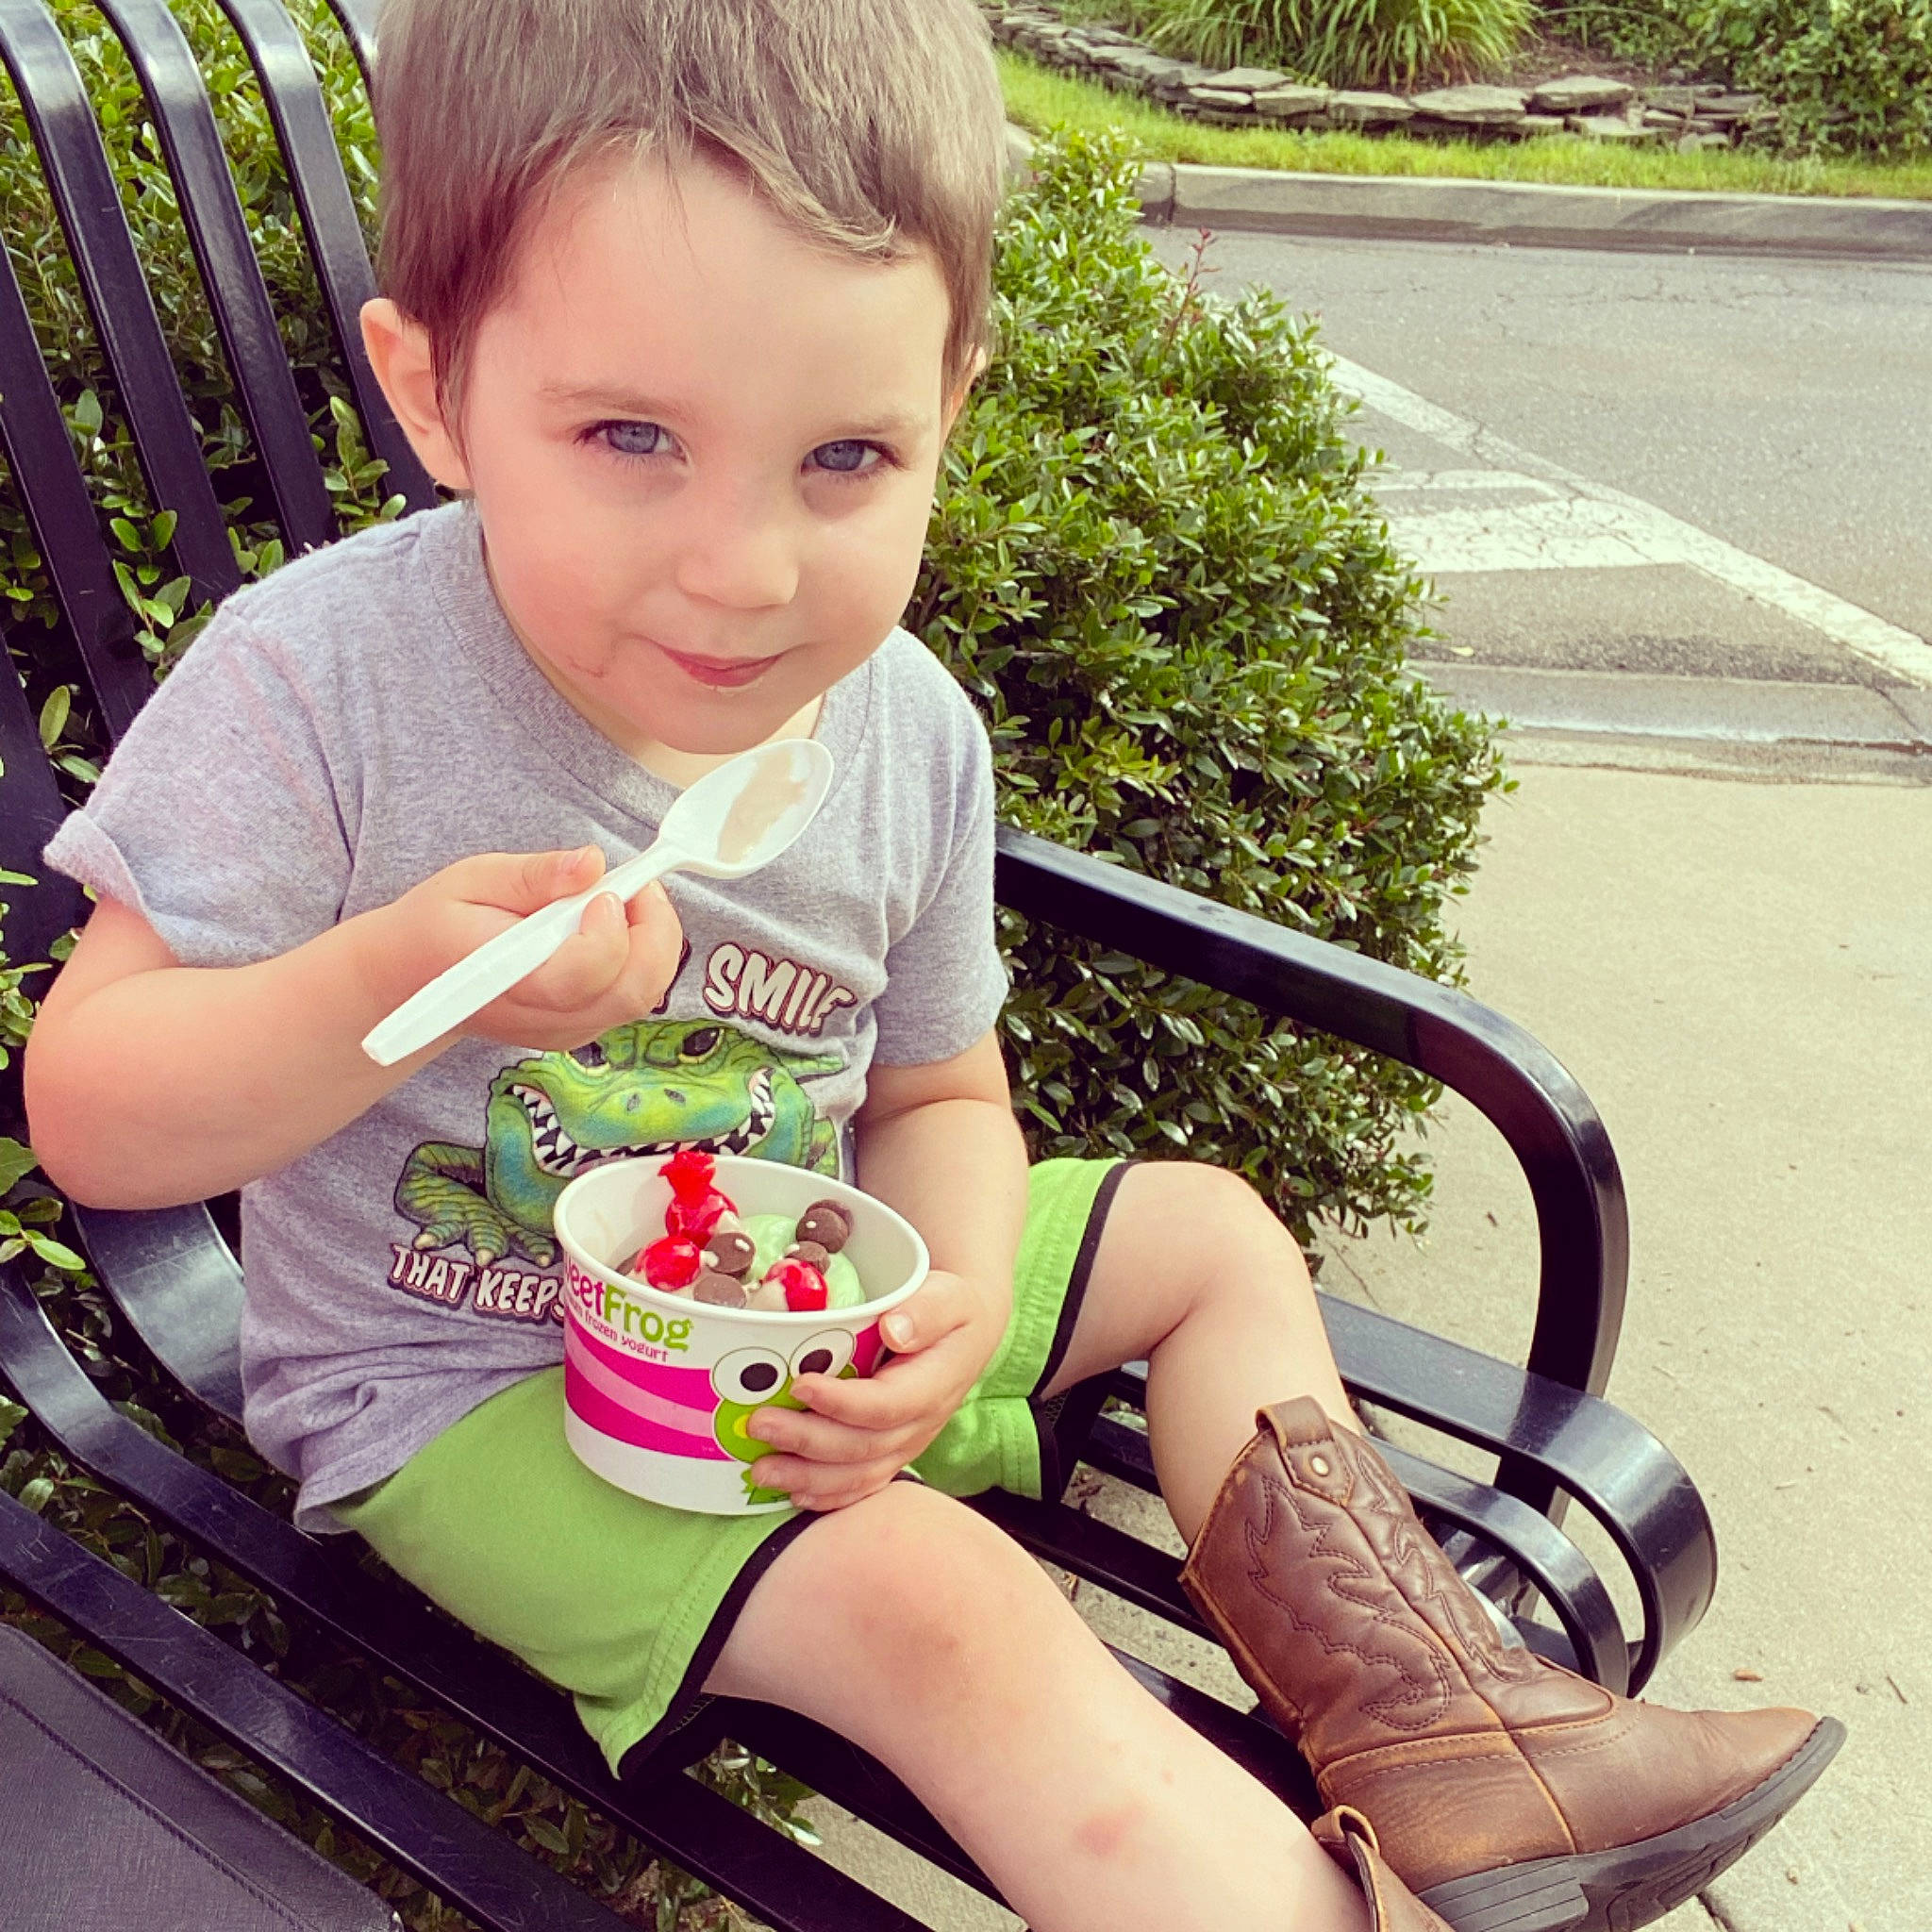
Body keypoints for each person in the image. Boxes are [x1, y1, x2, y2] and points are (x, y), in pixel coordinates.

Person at [22, 3, 1839, 1926]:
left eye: (844, 456)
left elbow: (938, 1095)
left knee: (1209, 1233)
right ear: (436, 393)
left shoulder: (903, 733)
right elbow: (96, 1115)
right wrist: (386, 984)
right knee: (946, 1600)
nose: (744, 569)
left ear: (947, 408)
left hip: (803, 1302)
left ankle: (1452, 1738)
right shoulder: (323, 686)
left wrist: (953, 1301)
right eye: (630, 437)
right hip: (471, 1381)